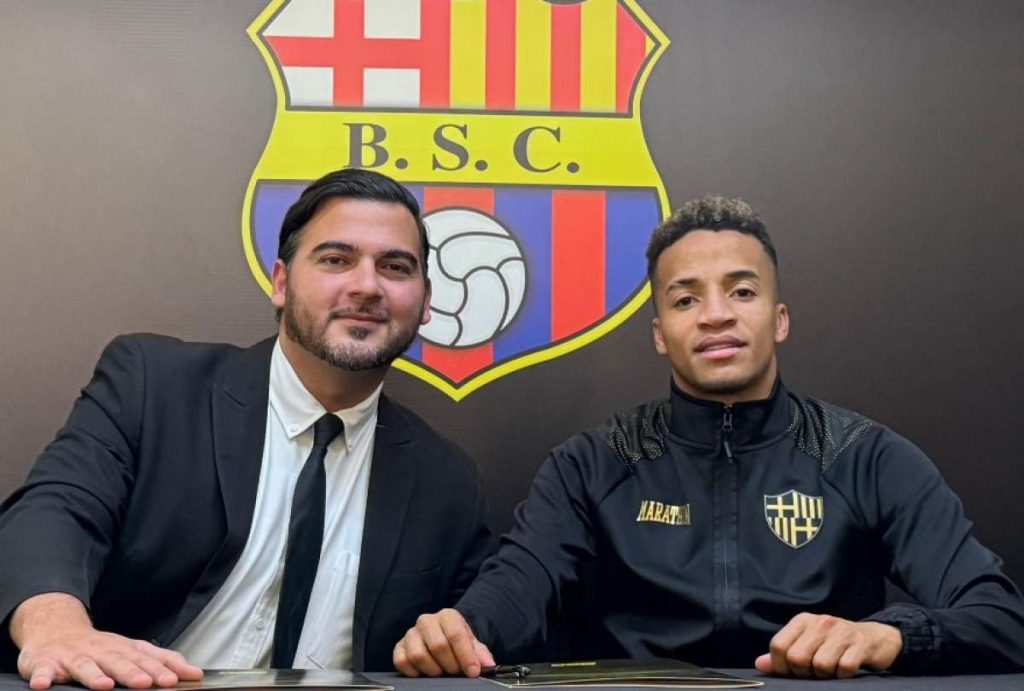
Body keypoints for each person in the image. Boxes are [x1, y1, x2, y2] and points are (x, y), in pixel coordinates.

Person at [393, 195, 1024, 679]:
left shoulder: (865, 456)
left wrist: (886, 637)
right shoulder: (593, 464)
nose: (717, 314)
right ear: (659, 333)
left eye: (741, 292)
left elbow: (1000, 619)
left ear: (779, 319)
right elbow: (516, 591)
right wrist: (460, 630)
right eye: (686, 299)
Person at [0, 169, 492, 690]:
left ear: (425, 301)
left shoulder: (447, 483)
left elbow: (474, 631)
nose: (366, 286)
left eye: (394, 267)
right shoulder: (153, 388)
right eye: (336, 260)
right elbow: (56, 509)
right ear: (281, 283)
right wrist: (56, 626)